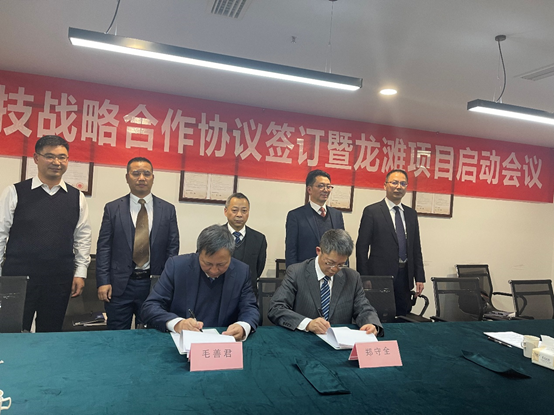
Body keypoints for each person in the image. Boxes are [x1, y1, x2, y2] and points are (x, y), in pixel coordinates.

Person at [0, 135, 91, 332]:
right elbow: (0, 234)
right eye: (49, 156)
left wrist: (80, 273)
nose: (56, 162)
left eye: (62, 157)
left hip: (59, 279)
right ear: (36, 158)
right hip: (18, 277)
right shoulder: (15, 192)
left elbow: (82, 238)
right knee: (11, 332)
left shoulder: (77, 197)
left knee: (51, 334)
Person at [96, 157, 179, 330]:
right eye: (136, 173)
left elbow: (172, 248)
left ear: (153, 178)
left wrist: (167, 283)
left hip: (154, 285)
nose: (141, 178)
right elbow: (104, 247)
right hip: (119, 285)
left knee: (151, 333)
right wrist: (103, 281)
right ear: (127, 177)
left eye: (146, 174)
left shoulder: (167, 209)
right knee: (117, 335)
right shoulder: (112, 208)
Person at [140, 224, 259, 341]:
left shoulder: (241, 272)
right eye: (208, 264)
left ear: (230, 256)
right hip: (180, 341)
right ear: (198, 253)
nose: (214, 270)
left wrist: (243, 326)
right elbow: (150, 306)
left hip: (223, 341)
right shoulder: (177, 267)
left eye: (221, 264)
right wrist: (178, 324)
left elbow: (250, 308)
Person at [268, 229, 382, 336]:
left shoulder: (352, 277)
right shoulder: (296, 272)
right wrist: (307, 324)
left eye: (341, 265)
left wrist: (371, 324)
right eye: (329, 263)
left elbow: (364, 308)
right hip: (304, 339)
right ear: (318, 251)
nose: (334, 269)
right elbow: (276, 308)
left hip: (339, 342)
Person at [356, 169, 425, 316]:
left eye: (403, 183)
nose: (398, 187)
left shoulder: (411, 214)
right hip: (379, 276)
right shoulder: (372, 211)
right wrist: (364, 277)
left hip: (405, 276)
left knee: (403, 315)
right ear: (385, 185)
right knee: (380, 315)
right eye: (394, 182)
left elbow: (416, 248)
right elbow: (362, 247)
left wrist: (419, 277)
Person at [285, 169, 345, 268]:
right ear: (309, 189)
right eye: (321, 186)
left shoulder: (336, 215)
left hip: (332, 271)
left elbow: (343, 246)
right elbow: (291, 250)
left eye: (328, 186)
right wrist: (293, 274)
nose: (325, 190)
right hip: (306, 271)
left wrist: (343, 271)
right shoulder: (296, 216)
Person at [223, 192, 267, 297]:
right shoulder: (213, 236)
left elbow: (258, 269)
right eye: (234, 210)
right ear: (225, 211)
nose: (239, 215)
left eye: (244, 211)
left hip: (248, 294)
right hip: (220, 291)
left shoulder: (259, 239)